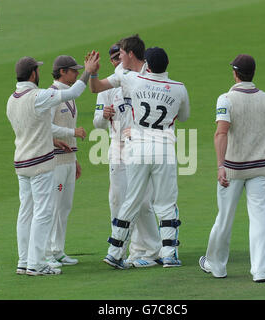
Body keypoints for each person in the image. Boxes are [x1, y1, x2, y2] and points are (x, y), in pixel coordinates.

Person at [95, 46, 190, 269]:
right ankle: (169, 254)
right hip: (164, 149)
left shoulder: (135, 81)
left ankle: (115, 252)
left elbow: (110, 80)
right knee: (166, 203)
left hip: (137, 148)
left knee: (132, 200)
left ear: (147, 63)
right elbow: (184, 117)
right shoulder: (179, 88)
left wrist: (94, 72)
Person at [6, 54, 99, 276]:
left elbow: (32, 128)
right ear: (32, 74)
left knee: (26, 212)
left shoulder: (11, 99)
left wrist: (52, 138)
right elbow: (74, 92)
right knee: (43, 212)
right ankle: (37, 264)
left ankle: (24, 261)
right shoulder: (38, 95)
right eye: (37, 70)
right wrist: (88, 71)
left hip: (21, 163)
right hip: (41, 163)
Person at [199, 54, 265, 283]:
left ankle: (216, 267)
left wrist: (220, 166)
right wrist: (259, 129)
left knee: (225, 217)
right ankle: (260, 271)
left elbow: (221, 133)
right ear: (252, 73)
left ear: (235, 73)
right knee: (260, 218)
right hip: (260, 169)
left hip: (233, 169)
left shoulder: (226, 99)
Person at [93, 43, 162, 268]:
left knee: (143, 202)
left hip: (142, 146)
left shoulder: (145, 79)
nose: (116, 61)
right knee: (117, 200)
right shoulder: (108, 86)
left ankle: (148, 250)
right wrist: (103, 115)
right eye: (113, 58)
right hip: (118, 148)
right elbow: (98, 124)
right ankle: (125, 250)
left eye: (118, 56)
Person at [45, 55, 88, 269]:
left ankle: (58, 250)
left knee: (65, 207)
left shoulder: (69, 96)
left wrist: (76, 159)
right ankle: (46, 253)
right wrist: (73, 132)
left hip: (68, 160)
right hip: (55, 161)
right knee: (53, 207)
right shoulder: (51, 95)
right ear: (62, 71)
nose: (77, 74)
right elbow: (46, 128)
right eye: (73, 71)